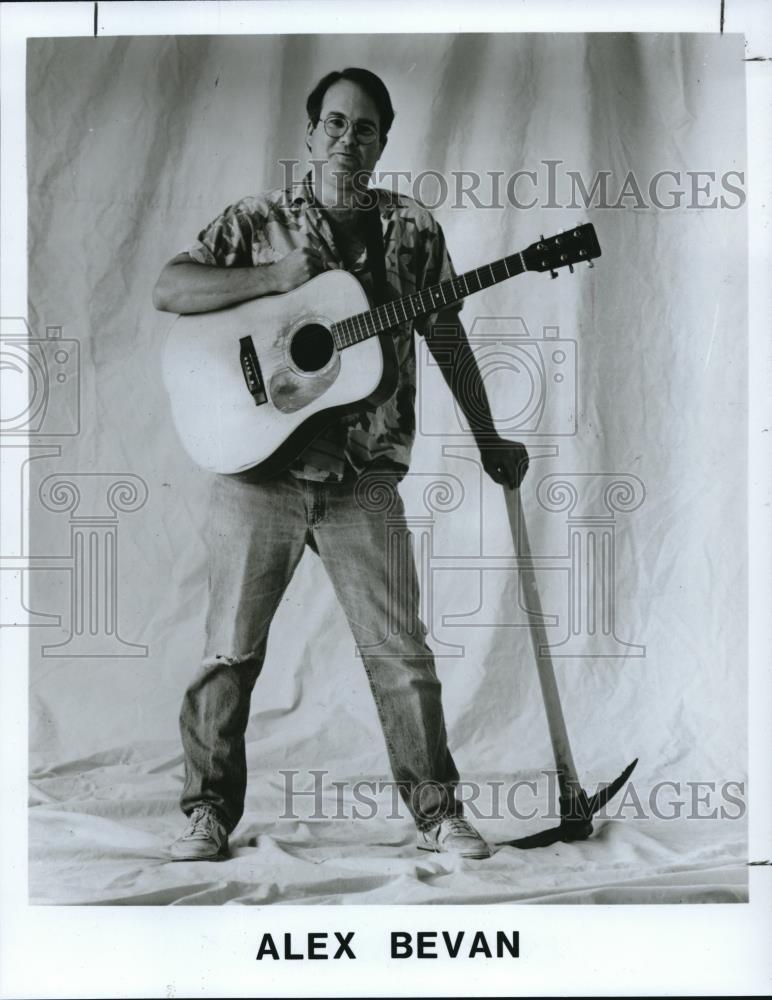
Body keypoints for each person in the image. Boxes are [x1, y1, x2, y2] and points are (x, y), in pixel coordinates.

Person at [153, 67, 528, 862]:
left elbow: (447, 339)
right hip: (259, 471)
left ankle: (436, 813)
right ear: (310, 132)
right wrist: (276, 280)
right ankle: (207, 814)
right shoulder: (260, 222)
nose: (347, 140)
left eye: (365, 128)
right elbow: (170, 286)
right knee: (230, 650)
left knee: (401, 654)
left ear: (384, 141)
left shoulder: (414, 232)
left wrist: (490, 436)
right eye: (334, 123)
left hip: (365, 478)